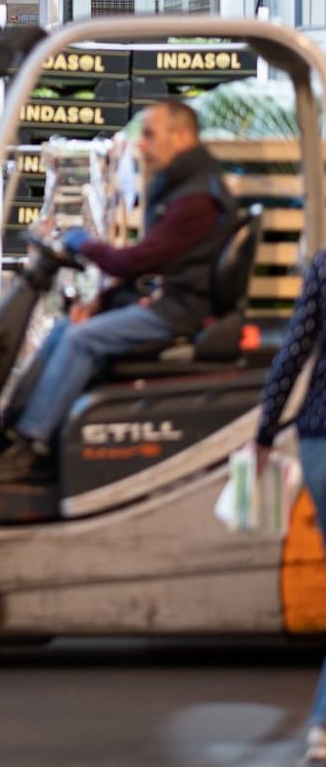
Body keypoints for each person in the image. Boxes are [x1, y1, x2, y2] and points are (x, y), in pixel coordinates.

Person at [0, 99, 236, 482]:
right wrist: (101, 302)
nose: (141, 144)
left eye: (149, 135)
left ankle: (32, 448)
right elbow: (152, 263)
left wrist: (81, 242)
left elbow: (133, 261)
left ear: (180, 137)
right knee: (67, 326)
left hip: (179, 311)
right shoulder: (180, 186)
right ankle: (13, 433)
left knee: (83, 341)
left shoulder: (195, 199)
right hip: (167, 298)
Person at [254, 248, 326, 767]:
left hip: (320, 442)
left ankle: (323, 730)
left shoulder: (324, 265)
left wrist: (264, 432)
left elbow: (293, 352)